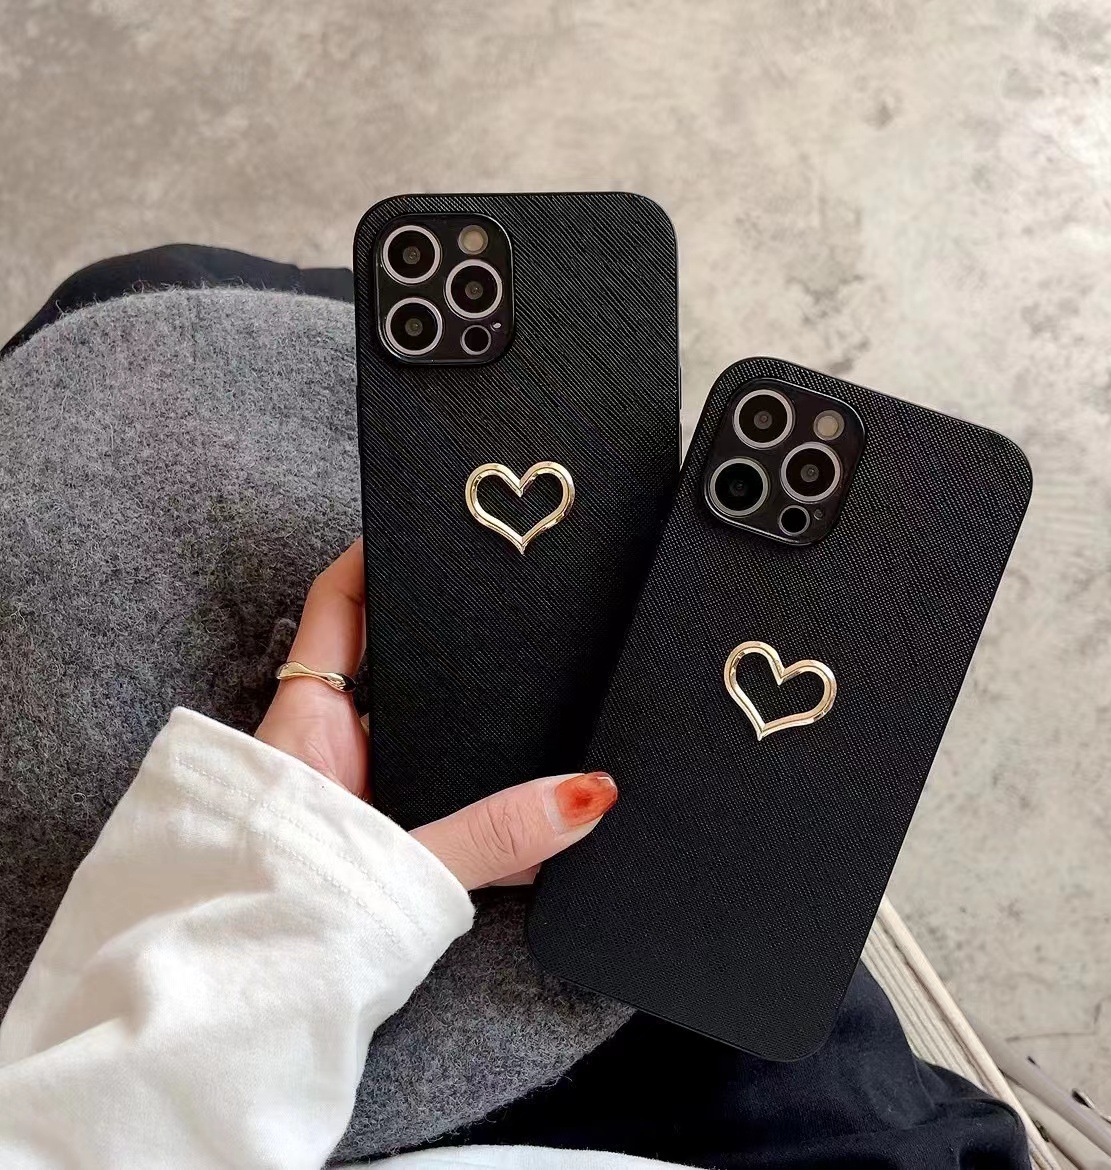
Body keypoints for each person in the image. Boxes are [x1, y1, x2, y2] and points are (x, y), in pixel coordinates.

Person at [0, 248, 1031, 1169]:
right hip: (640, 1049)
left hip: (246, 1013)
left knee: (157, 287)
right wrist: (323, 908)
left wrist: (309, 899)